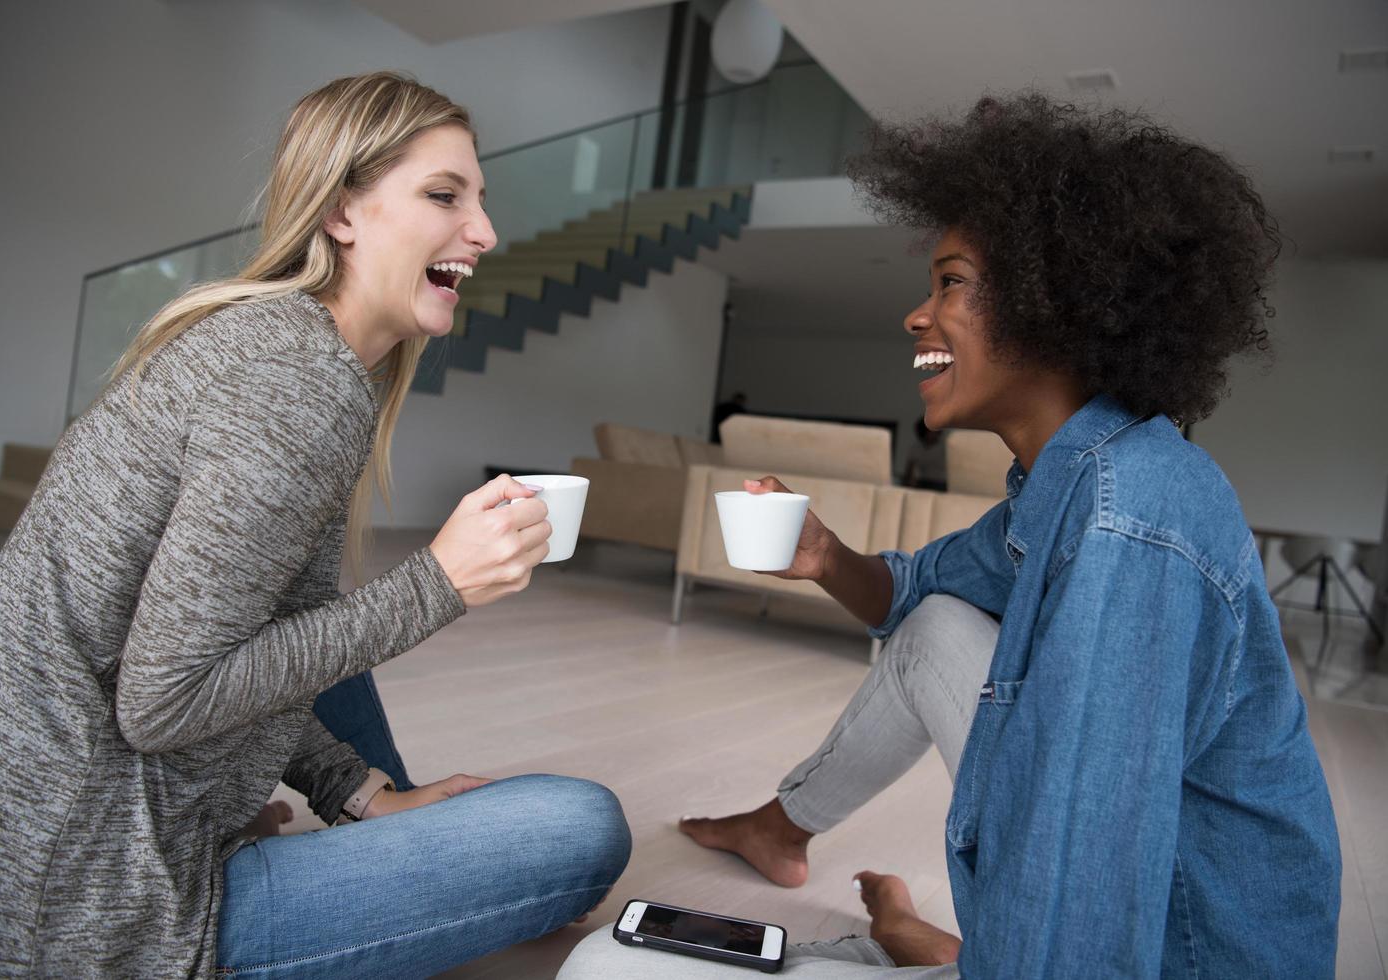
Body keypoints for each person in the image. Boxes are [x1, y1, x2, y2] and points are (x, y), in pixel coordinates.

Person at [566, 93, 1343, 978]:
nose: (916, 313)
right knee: (939, 619)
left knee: (607, 967)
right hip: (1110, 918)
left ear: (1056, 303)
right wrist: (821, 554)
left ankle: (925, 948)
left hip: (1181, 957)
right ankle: (819, 863)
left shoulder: (1134, 520)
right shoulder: (1065, 487)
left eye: (950, 282)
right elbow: (910, 592)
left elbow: (1083, 881)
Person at [0, 72, 630, 978]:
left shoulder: (273, 342)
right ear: (342, 212)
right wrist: (439, 585)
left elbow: (238, 637)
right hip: (72, 913)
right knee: (578, 829)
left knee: (316, 628)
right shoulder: (297, 385)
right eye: (444, 196)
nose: (484, 232)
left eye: (480, 201)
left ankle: (377, 817)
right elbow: (165, 701)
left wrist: (358, 789)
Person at [900, 418, 945, 490]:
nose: (933, 434)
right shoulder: (915, 448)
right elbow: (909, 468)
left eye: (935, 431)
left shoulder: (944, 448)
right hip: (923, 481)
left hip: (940, 483)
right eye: (930, 431)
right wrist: (909, 481)